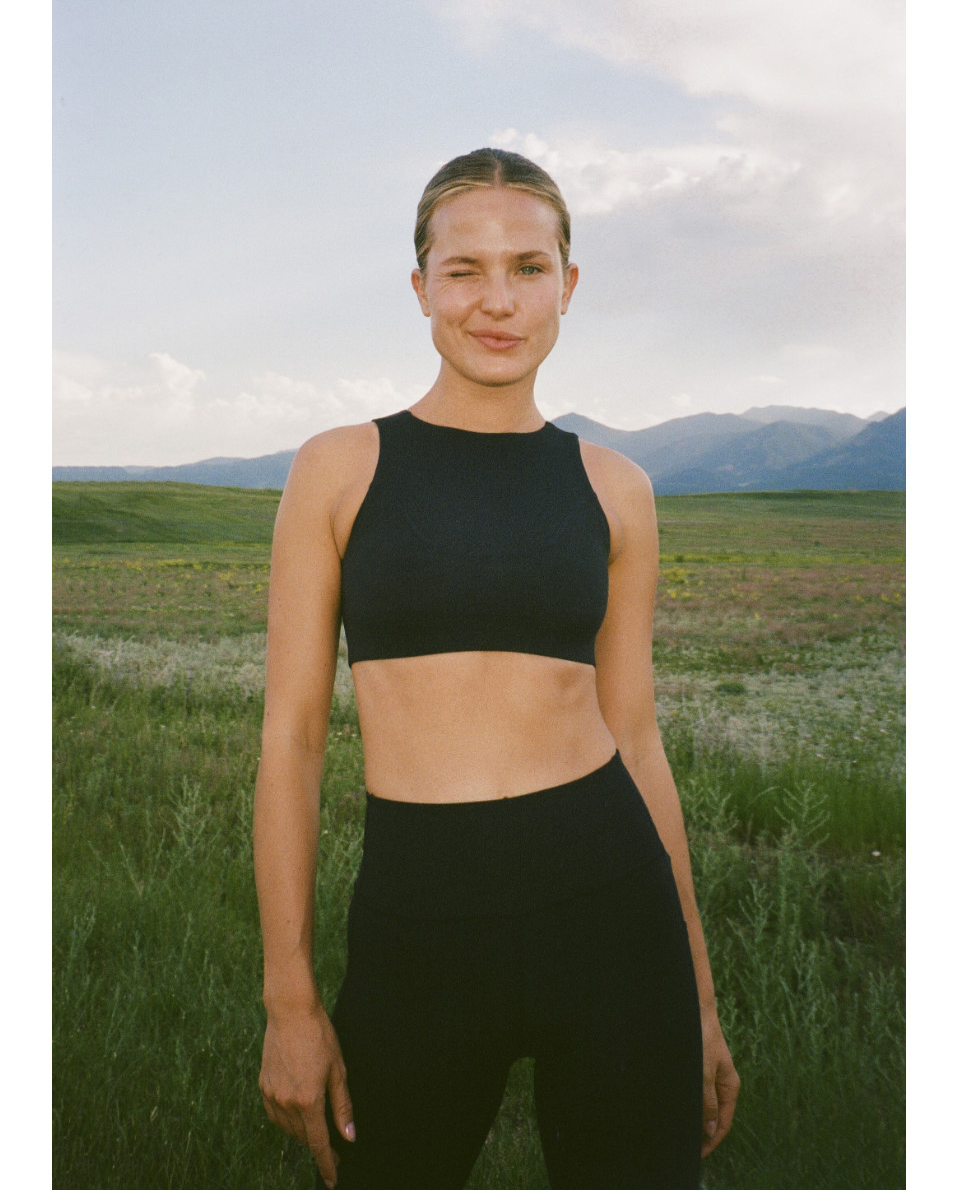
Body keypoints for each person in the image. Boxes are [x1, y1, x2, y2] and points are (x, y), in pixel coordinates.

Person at [254, 148, 739, 1190]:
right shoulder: (340, 468)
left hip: (613, 910)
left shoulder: (615, 486)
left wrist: (697, 998)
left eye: (528, 267)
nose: (498, 300)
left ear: (568, 284)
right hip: (419, 921)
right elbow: (292, 740)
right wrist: (289, 998)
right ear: (420, 285)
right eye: (463, 269)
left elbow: (637, 738)